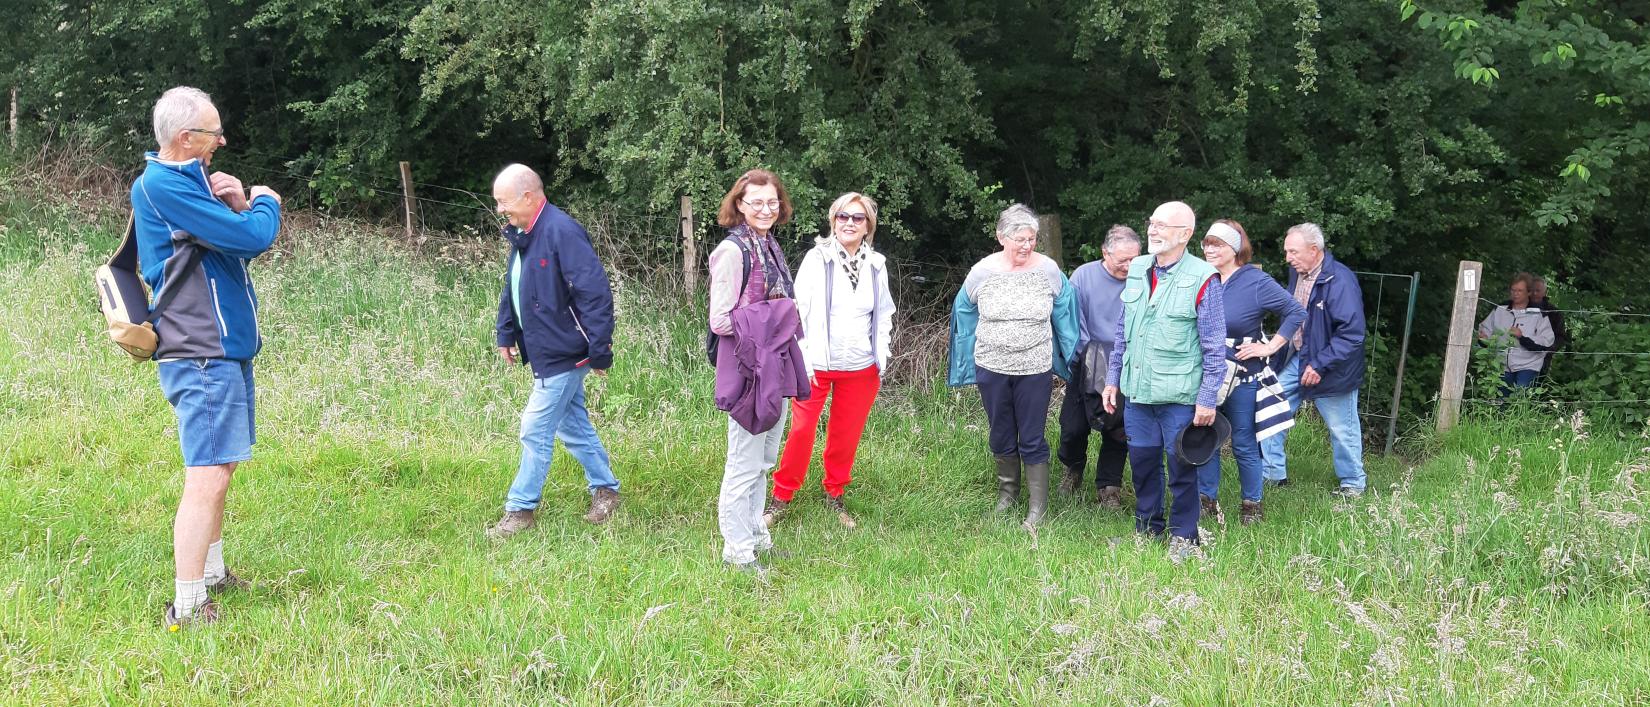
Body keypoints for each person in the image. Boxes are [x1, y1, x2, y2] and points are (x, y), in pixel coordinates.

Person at [132, 86, 283, 628]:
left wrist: (238, 206)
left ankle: (214, 575)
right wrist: (265, 203)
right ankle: (188, 604)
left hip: (223, 345)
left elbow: (231, 238)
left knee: (223, 463)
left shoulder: (190, 182)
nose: (222, 140)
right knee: (207, 474)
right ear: (184, 138)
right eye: (213, 132)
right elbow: (252, 238)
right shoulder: (164, 185)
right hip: (198, 349)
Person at [486, 164, 620, 540]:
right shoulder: (525, 231)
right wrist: (506, 332)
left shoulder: (562, 231)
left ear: (528, 196)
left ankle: (520, 509)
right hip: (545, 349)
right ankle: (606, 489)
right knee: (572, 425)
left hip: (565, 351)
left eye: (503, 201)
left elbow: (595, 293)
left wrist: (600, 350)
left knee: (535, 429)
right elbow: (514, 286)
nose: (500, 210)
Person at [764, 192, 896, 530]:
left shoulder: (876, 264)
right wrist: (803, 358)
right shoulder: (816, 258)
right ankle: (781, 496)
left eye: (857, 218)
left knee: (845, 434)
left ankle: (834, 493)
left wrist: (881, 355)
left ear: (868, 226)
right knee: (802, 430)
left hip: (861, 368)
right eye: (842, 217)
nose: (849, 223)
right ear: (833, 221)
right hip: (817, 366)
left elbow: (884, 315)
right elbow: (798, 311)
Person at [1102, 201, 1226, 558]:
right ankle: (1147, 530)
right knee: (1142, 464)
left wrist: (1206, 399)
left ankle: (1184, 539)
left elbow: (1215, 347)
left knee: (1182, 468)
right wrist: (1113, 378)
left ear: (1185, 234)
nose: (1152, 230)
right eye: (1151, 223)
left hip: (1180, 395)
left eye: (1162, 225)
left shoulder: (1204, 278)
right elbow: (1123, 331)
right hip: (1138, 392)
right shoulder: (1139, 268)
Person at [948, 203, 1079, 529]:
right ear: (1001, 237)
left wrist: (1070, 354)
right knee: (1001, 431)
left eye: (1032, 238)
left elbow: (1066, 313)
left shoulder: (1048, 270)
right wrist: (964, 359)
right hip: (991, 366)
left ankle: (1038, 509)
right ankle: (1007, 496)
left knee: (1032, 435)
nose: (1026, 245)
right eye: (1019, 239)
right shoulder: (981, 272)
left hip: (1034, 366)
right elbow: (963, 314)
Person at [709, 169, 807, 574]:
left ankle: (756, 539)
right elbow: (720, 320)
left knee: (765, 459)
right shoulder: (733, 252)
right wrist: (776, 317)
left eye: (772, 202)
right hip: (750, 369)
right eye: (756, 202)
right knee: (743, 462)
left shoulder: (769, 245)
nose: (766, 209)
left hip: (774, 365)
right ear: (739, 206)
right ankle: (737, 552)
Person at [1193, 220, 1305, 525]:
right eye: (1207, 243)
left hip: (1242, 375)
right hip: (1206, 373)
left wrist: (1269, 348)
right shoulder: (1202, 277)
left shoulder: (1255, 281)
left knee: (1243, 440)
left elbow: (1296, 311)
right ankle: (1205, 502)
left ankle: (1251, 506)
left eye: (1218, 244)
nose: (1210, 250)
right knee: (1206, 436)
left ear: (1235, 248)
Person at [1259, 223, 1368, 497]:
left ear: (1314, 250)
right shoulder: (1297, 273)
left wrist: (1319, 364)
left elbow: (1352, 334)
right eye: (1286, 252)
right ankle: (1272, 474)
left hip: (1333, 364)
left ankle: (1353, 484)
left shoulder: (1340, 280)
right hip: (1299, 356)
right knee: (1271, 408)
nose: (1288, 258)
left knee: (1342, 427)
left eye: (1293, 252)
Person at [1057, 225, 1141, 509]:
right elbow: (1072, 320)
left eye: (1135, 259)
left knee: (1118, 428)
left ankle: (1109, 486)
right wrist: (1083, 357)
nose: (1129, 266)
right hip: (1087, 358)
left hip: (1128, 360)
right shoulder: (1083, 275)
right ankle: (1073, 467)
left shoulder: (1144, 277)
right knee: (1073, 427)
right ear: (1105, 253)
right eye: (1122, 260)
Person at [1477, 272, 1554, 394]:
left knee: (1519, 399)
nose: (1515, 294)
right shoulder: (1500, 309)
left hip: (1528, 365)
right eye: (1513, 290)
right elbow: (1485, 330)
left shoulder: (1538, 313)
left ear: (1528, 292)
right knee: (1501, 402)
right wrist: (1483, 339)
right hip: (1501, 365)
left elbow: (1546, 342)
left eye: (1519, 291)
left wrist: (1522, 337)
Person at [1529, 276, 1567, 379]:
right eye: (1532, 290)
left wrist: (1547, 350)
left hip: (1542, 360)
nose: (1535, 293)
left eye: (1538, 290)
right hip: (1516, 357)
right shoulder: (1517, 309)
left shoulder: (1554, 313)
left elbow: (1561, 337)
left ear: (1545, 292)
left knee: (1535, 388)